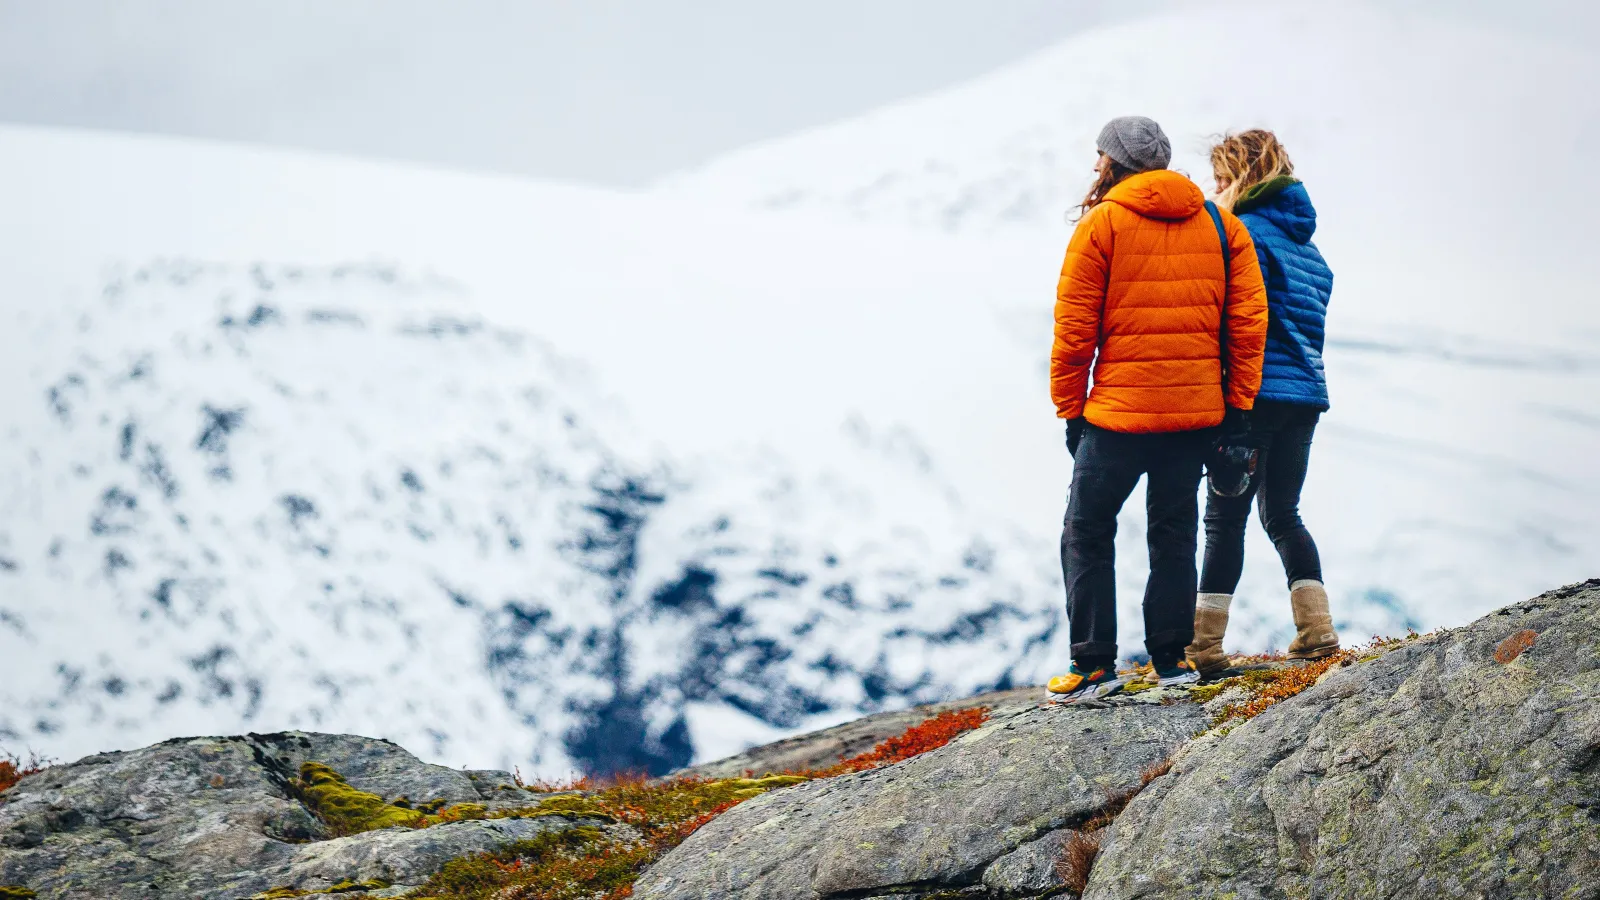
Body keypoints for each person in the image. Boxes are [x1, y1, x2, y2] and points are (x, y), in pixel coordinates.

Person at [1047, 116, 1269, 701]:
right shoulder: (1221, 224)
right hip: (1196, 416)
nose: (1095, 164)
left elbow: (1075, 332)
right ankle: (1170, 661)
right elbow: (1248, 325)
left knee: (1087, 531)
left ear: (1115, 162)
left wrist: (1071, 411)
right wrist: (1237, 406)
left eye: (1100, 155)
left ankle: (1095, 666)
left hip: (1116, 418)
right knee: (1173, 534)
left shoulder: (1103, 225)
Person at [1186, 129, 1339, 676]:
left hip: (1253, 398)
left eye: (1222, 177)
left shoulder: (1242, 232)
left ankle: (1203, 646)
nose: (1215, 186)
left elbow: (1230, 314)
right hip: (1305, 396)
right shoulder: (1310, 250)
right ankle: (1317, 631)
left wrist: (1214, 214)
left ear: (1241, 178)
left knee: (1224, 520)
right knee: (1283, 514)